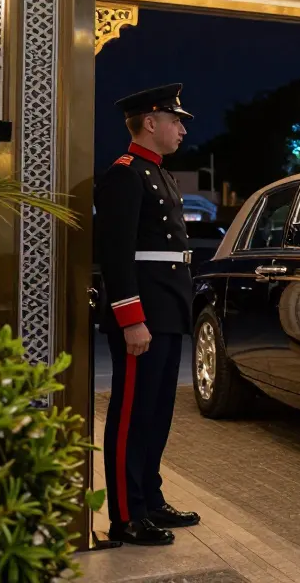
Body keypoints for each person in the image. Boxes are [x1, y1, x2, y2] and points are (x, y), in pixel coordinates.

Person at [95, 84, 202, 545]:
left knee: (157, 413)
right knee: (131, 414)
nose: (181, 128)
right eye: (175, 120)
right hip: (143, 313)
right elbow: (116, 255)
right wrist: (130, 317)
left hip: (167, 308)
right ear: (150, 122)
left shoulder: (159, 173)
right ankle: (125, 513)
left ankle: (150, 498)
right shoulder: (125, 174)